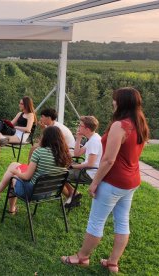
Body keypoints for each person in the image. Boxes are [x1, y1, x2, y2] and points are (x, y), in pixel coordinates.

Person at [61, 87, 150, 274]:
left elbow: (109, 159)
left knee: (96, 221)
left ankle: (82, 257)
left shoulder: (120, 125)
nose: (113, 102)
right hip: (131, 180)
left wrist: (94, 183)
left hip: (114, 181)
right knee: (122, 221)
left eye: (115, 99)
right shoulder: (140, 122)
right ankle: (112, 262)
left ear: (122, 102)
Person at [0, 126, 71, 214]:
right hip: (50, 192)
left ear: (46, 138)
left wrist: (16, 172)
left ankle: (8, 205)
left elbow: (26, 177)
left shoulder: (39, 152)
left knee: (13, 175)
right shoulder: (65, 154)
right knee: (14, 165)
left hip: (32, 192)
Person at [64, 115, 103, 208]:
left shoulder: (94, 142)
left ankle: (73, 194)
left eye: (80, 126)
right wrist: (78, 139)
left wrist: (73, 166)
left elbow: (90, 164)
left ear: (87, 129)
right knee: (62, 165)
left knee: (59, 174)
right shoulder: (93, 138)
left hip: (90, 173)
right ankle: (73, 193)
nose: (78, 127)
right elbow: (77, 154)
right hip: (87, 169)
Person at [0, 96, 36, 168]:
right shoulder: (20, 114)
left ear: (26, 104)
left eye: (21, 103)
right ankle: (2, 137)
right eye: (19, 103)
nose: (19, 105)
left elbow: (28, 129)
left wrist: (16, 127)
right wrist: (4, 123)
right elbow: (11, 124)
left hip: (22, 135)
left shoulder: (31, 115)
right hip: (14, 132)